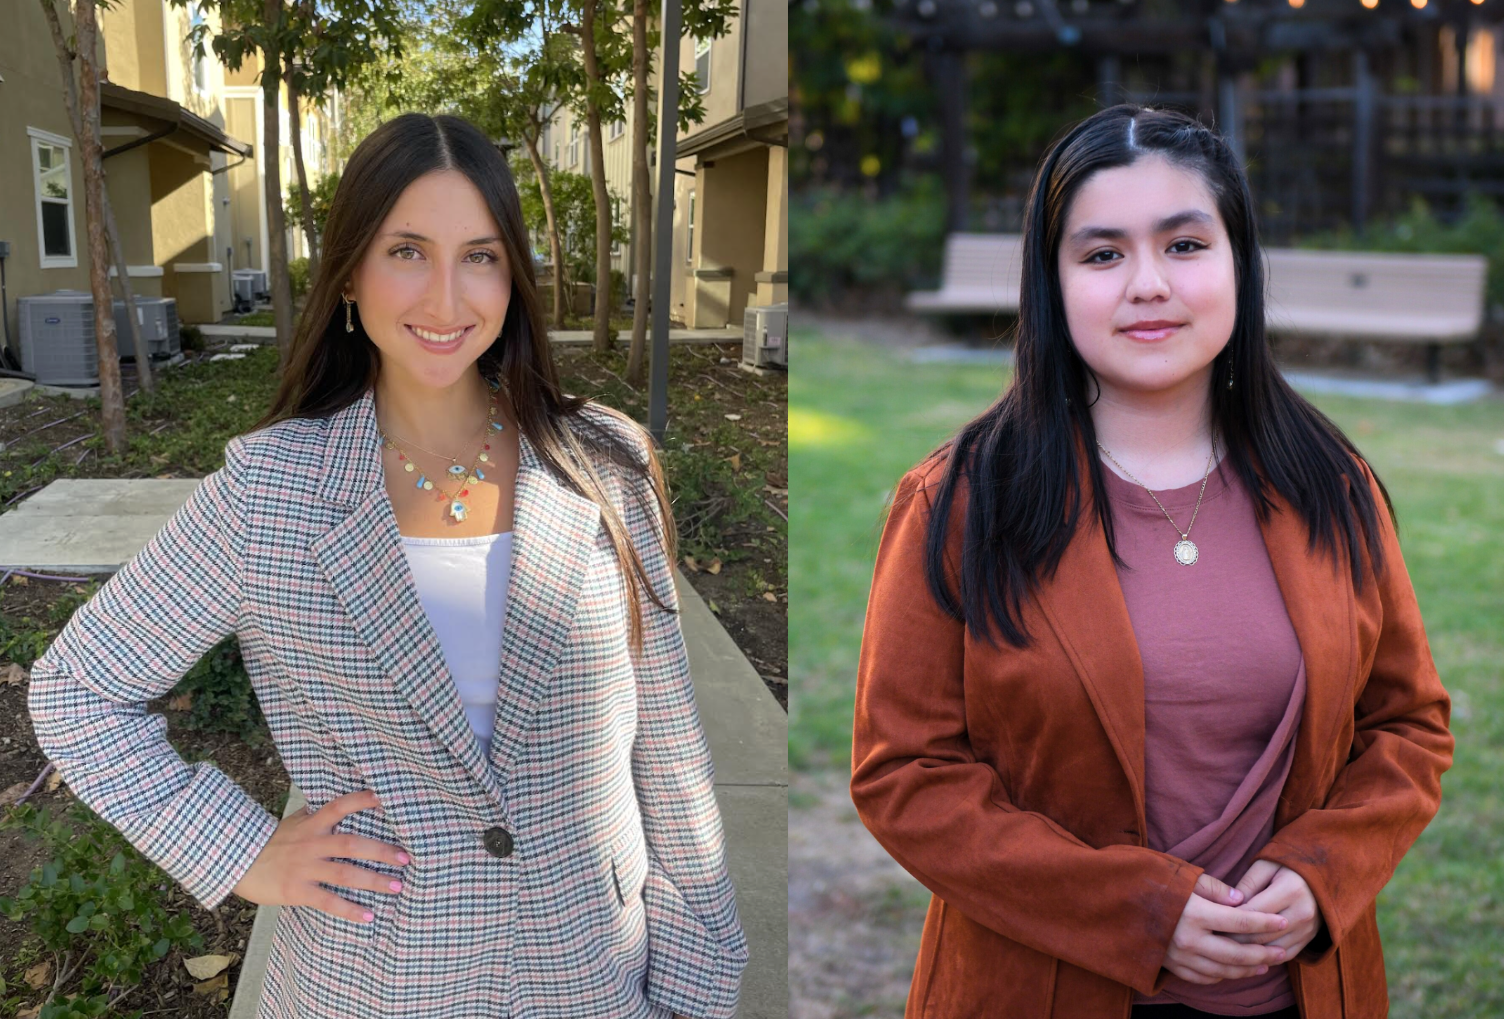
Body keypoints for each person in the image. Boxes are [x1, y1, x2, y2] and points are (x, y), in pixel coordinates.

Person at [27, 112, 746, 1019]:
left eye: (480, 256)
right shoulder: (272, 491)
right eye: (408, 249)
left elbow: (669, 752)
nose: (448, 298)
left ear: (512, 277)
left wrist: (697, 989)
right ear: (351, 279)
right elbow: (76, 692)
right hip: (374, 983)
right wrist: (240, 849)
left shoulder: (605, 464)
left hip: (593, 974)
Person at [849, 104, 1453, 1019]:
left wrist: (1325, 871)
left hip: (1300, 994)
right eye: (1102, 254)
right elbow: (905, 773)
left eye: (1183, 245)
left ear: (1237, 265)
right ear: (1052, 283)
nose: (1148, 284)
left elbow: (1408, 726)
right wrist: (1137, 913)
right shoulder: (962, 502)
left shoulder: (1333, 484)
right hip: (1042, 990)